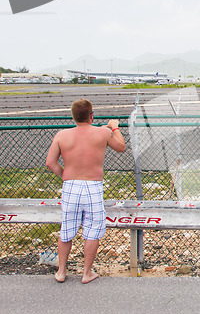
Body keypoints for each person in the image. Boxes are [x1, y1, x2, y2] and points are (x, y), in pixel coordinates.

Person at [45, 98, 126, 284]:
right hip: (93, 186)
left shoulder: (62, 135)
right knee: (92, 230)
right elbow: (121, 147)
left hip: (70, 186)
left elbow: (50, 163)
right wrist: (114, 127)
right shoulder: (103, 133)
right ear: (91, 116)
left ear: (74, 116)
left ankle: (61, 271)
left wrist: (65, 174)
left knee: (66, 230)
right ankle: (86, 273)